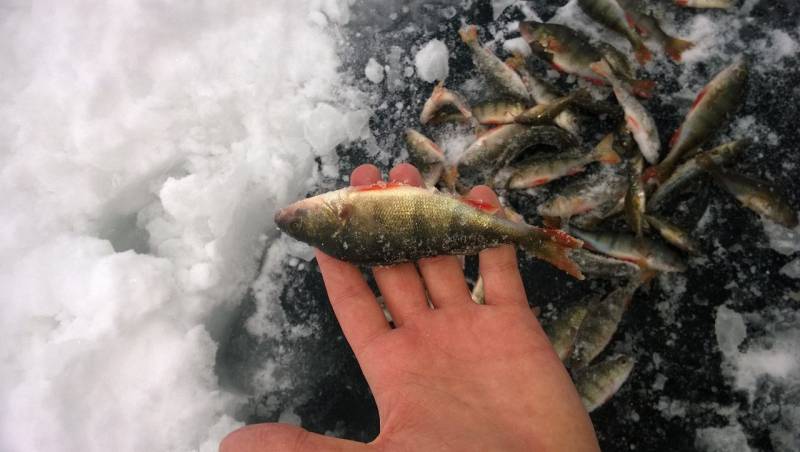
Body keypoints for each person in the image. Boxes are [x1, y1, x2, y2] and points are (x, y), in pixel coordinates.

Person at [221, 163, 601, 451]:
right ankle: (537, 239)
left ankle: (535, 238)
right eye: (301, 219)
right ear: (336, 214)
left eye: (298, 219)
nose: (294, 212)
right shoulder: (341, 218)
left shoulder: (344, 226)